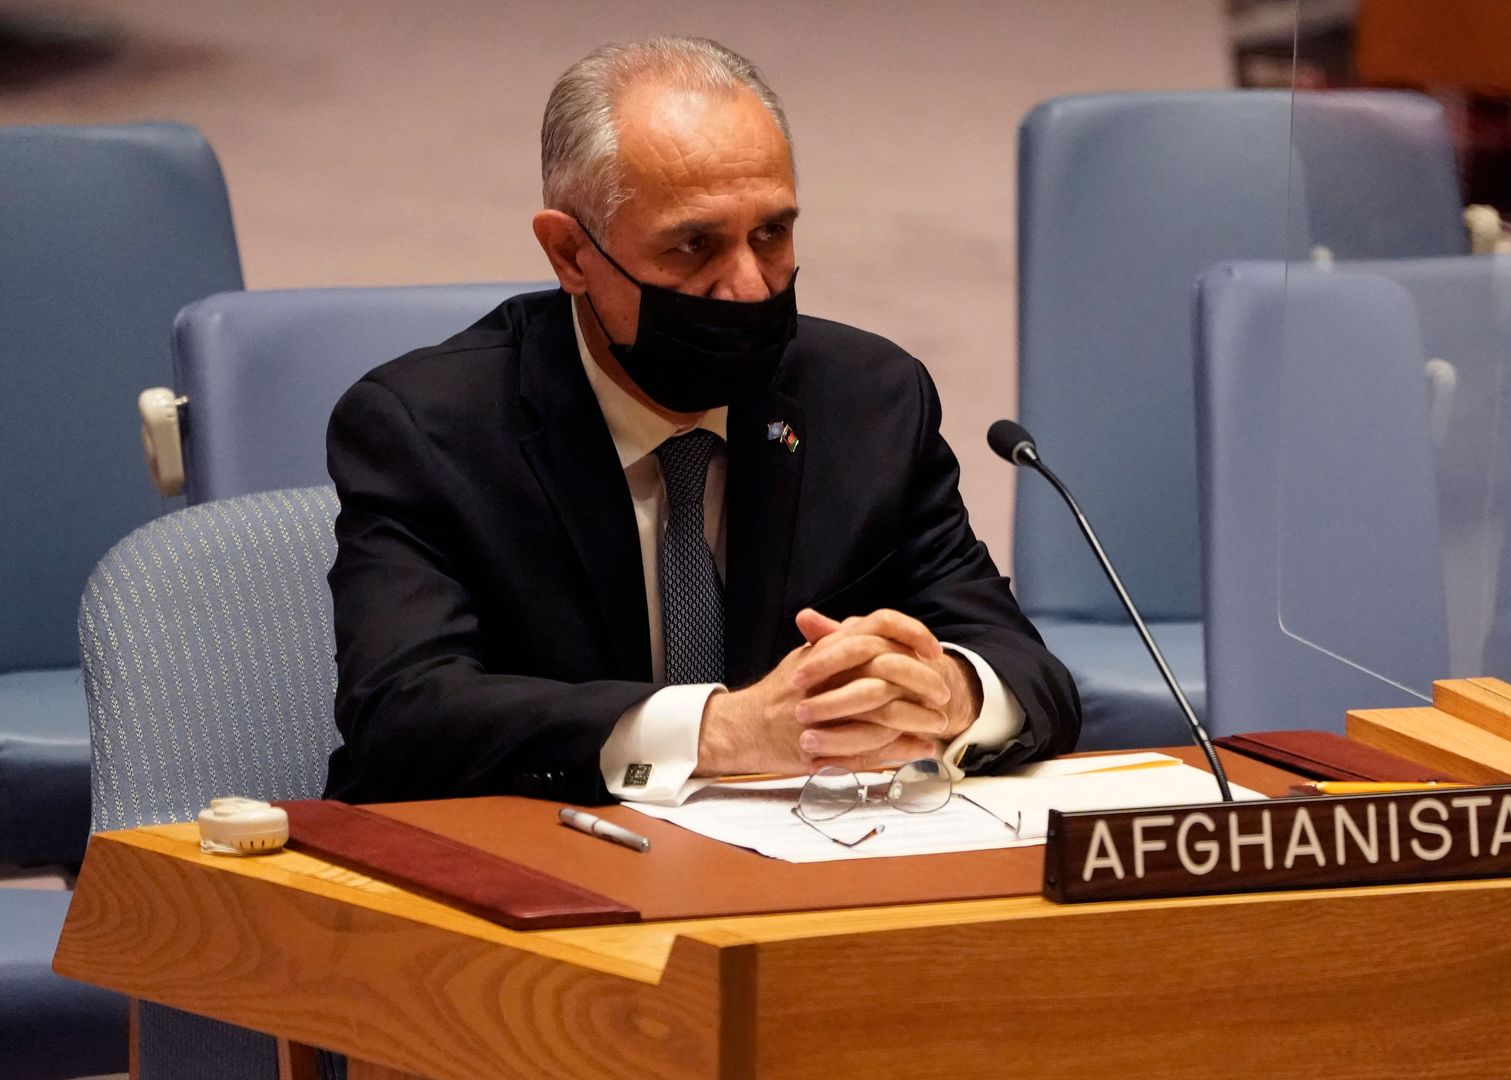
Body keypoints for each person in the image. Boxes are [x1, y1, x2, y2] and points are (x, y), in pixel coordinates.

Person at [323, 37, 1080, 806]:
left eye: (771, 234)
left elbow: (1027, 672)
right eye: (694, 245)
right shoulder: (429, 430)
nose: (749, 287)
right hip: (536, 850)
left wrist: (949, 692)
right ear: (571, 254)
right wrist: (718, 730)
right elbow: (401, 717)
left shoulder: (868, 401)